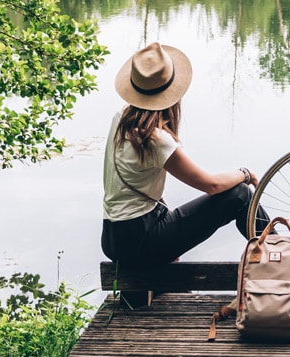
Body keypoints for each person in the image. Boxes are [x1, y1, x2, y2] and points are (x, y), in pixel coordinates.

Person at [100, 42, 266, 267]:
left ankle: (282, 258)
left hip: (113, 238)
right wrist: (244, 173)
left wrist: (170, 240)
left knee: (235, 195)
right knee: (240, 195)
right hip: (141, 239)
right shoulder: (155, 139)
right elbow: (212, 185)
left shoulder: (120, 118)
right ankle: (285, 260)